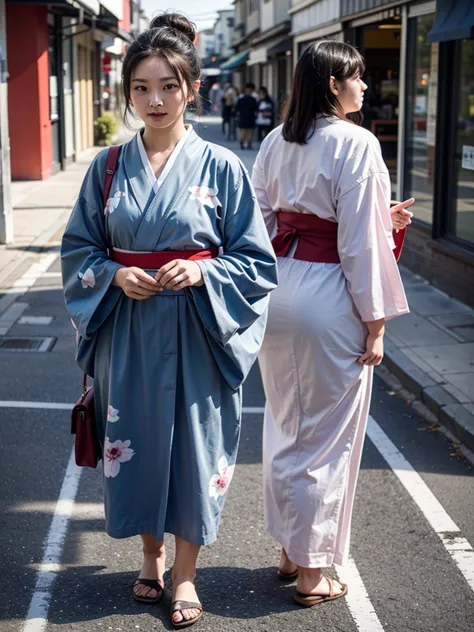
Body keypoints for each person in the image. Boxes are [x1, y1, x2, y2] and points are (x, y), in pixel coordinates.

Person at [61, 12, 277, 629]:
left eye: (169, 86)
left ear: (191, 88)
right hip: (127, 330)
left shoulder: (224, 167)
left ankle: (185, 574)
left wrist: (206, 272)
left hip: (199, 329)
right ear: (126, 91)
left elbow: (255, 259)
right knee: (137, 446)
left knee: (195, 450)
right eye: (141, 88)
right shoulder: (107, 168)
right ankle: (150, 559)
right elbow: (80, 248)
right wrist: (111, 274)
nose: (154, 101)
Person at [252, 40, 413, 607]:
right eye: (357, 77)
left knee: (286, 422)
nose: (365, 86)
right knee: (326, 437)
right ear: (332, 85)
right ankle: (314, 572)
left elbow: (261, 222)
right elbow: (359, 246)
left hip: (280, 290)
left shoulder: (275, 140)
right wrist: (376, 321)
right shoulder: (358, 143)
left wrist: (371, 218)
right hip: (329, 297)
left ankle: (291, 550)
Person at [236, 82, 257, 150]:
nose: (251, 91)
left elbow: (237, 109)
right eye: (250, 89)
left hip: (246, 118)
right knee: (245, 132)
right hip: (246, 118)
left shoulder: (252, 99)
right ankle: (244, 143)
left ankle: (247, 144)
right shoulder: (251, 99)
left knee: (248, 132)